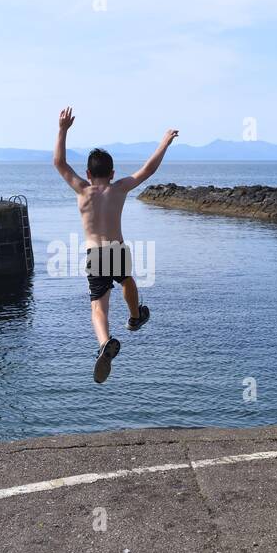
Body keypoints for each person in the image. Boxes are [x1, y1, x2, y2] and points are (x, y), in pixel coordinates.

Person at [53, 106, 174, 383]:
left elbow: (59, 163)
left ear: (87, 172)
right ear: (113, 172)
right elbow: (147, 170)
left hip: (95, 253)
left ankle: (105, 342)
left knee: (98, 307)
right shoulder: (119, 188)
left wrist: (62, 129)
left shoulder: (82, 189)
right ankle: (134, 316)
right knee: (128, 280)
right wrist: (164, 142)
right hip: (117, 250)